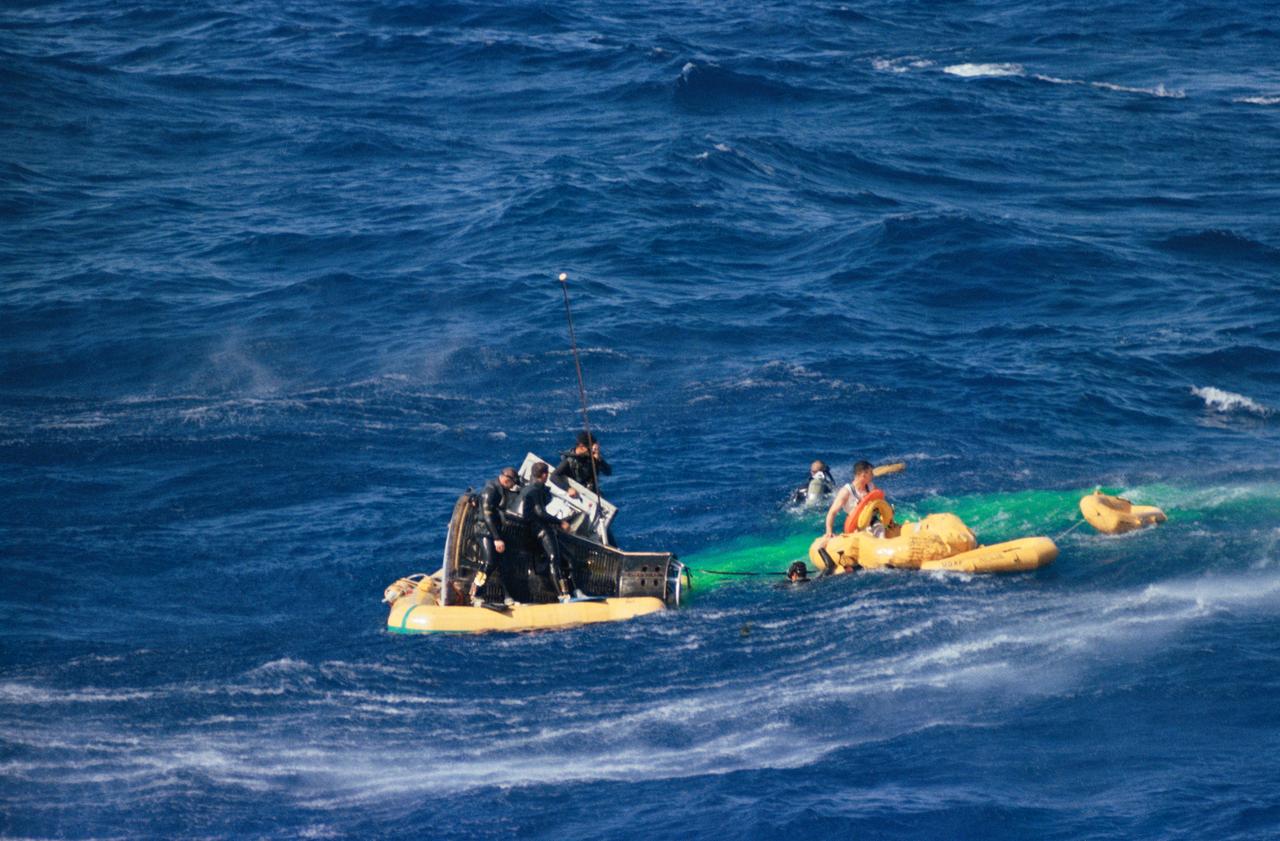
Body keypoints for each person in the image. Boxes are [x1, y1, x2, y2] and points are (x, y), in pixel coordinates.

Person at [518, 461, 582, 602]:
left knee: (569, 559)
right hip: (541, 530)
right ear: (544, 475)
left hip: (535, 529)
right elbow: (540, 513)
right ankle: (562, 594)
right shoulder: (535, 490)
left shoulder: (527, 489)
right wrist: (560, 522)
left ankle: (575, 591)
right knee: (554, 560)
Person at [468, 466, 520, 608]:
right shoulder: (491, 490)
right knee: (489, 562)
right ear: (506, 479)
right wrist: (497, 539)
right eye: (512, 483)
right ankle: (476, 593)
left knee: (503, 564)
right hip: (485, 531)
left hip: (495, 530)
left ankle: (507, 596)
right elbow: (487, 516)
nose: (512, 486)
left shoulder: (501, 488)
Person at [821, 460, 881, 546]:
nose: (873, 475)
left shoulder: (871, 486)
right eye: (871, 473)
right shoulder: (846, 491)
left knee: (880, 530)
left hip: (873, 521)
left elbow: (880, 503)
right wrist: (829, 531)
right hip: (855, 526)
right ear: (863, 474)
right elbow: (832, 512)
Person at [551, 431, 612, 497]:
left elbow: (608, 472)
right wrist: (568, 489)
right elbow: (554, 476)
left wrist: (599, 460)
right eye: (589, 448)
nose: (592, 451)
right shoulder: (569, 460)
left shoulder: (592, 457)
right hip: (578, 493)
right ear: (582, 447)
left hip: (593, 493)